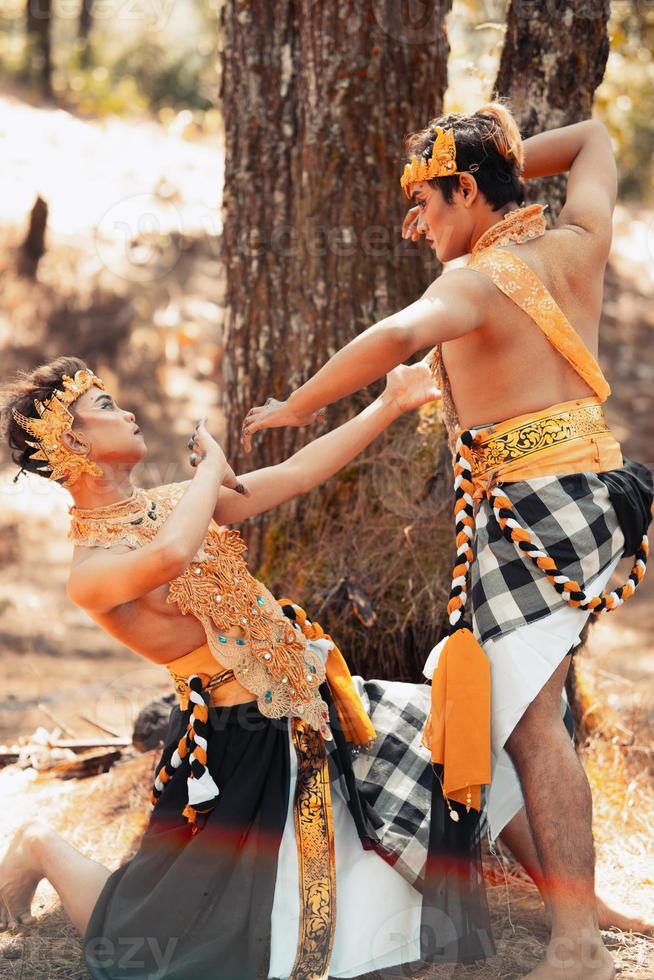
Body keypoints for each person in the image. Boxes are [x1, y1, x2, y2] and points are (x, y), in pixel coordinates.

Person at [242, 102, 654, 980]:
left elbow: (393, 338)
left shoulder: (474, 285)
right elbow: (592, 139)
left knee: (534, 725)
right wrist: (500, 158)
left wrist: (296, 407)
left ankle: (579, 942)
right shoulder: (580, 241)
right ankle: (575, 905)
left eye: (427, 201)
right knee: (498, 714)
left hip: (531, 515)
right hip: (582, 501)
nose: (414, 223)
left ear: (467, 190)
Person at [0, 355, 498, 979]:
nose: (126, 411)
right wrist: (211, 468)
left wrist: (391, 401)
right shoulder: (91, 572)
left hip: (317, 710)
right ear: (74, 442)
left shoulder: (177, 503)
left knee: (478, 726)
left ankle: (583, 913)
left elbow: (294, 473)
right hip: (236, 749)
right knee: (171, 949)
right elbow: (174, 553)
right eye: (105, 406)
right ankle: (39, 846)